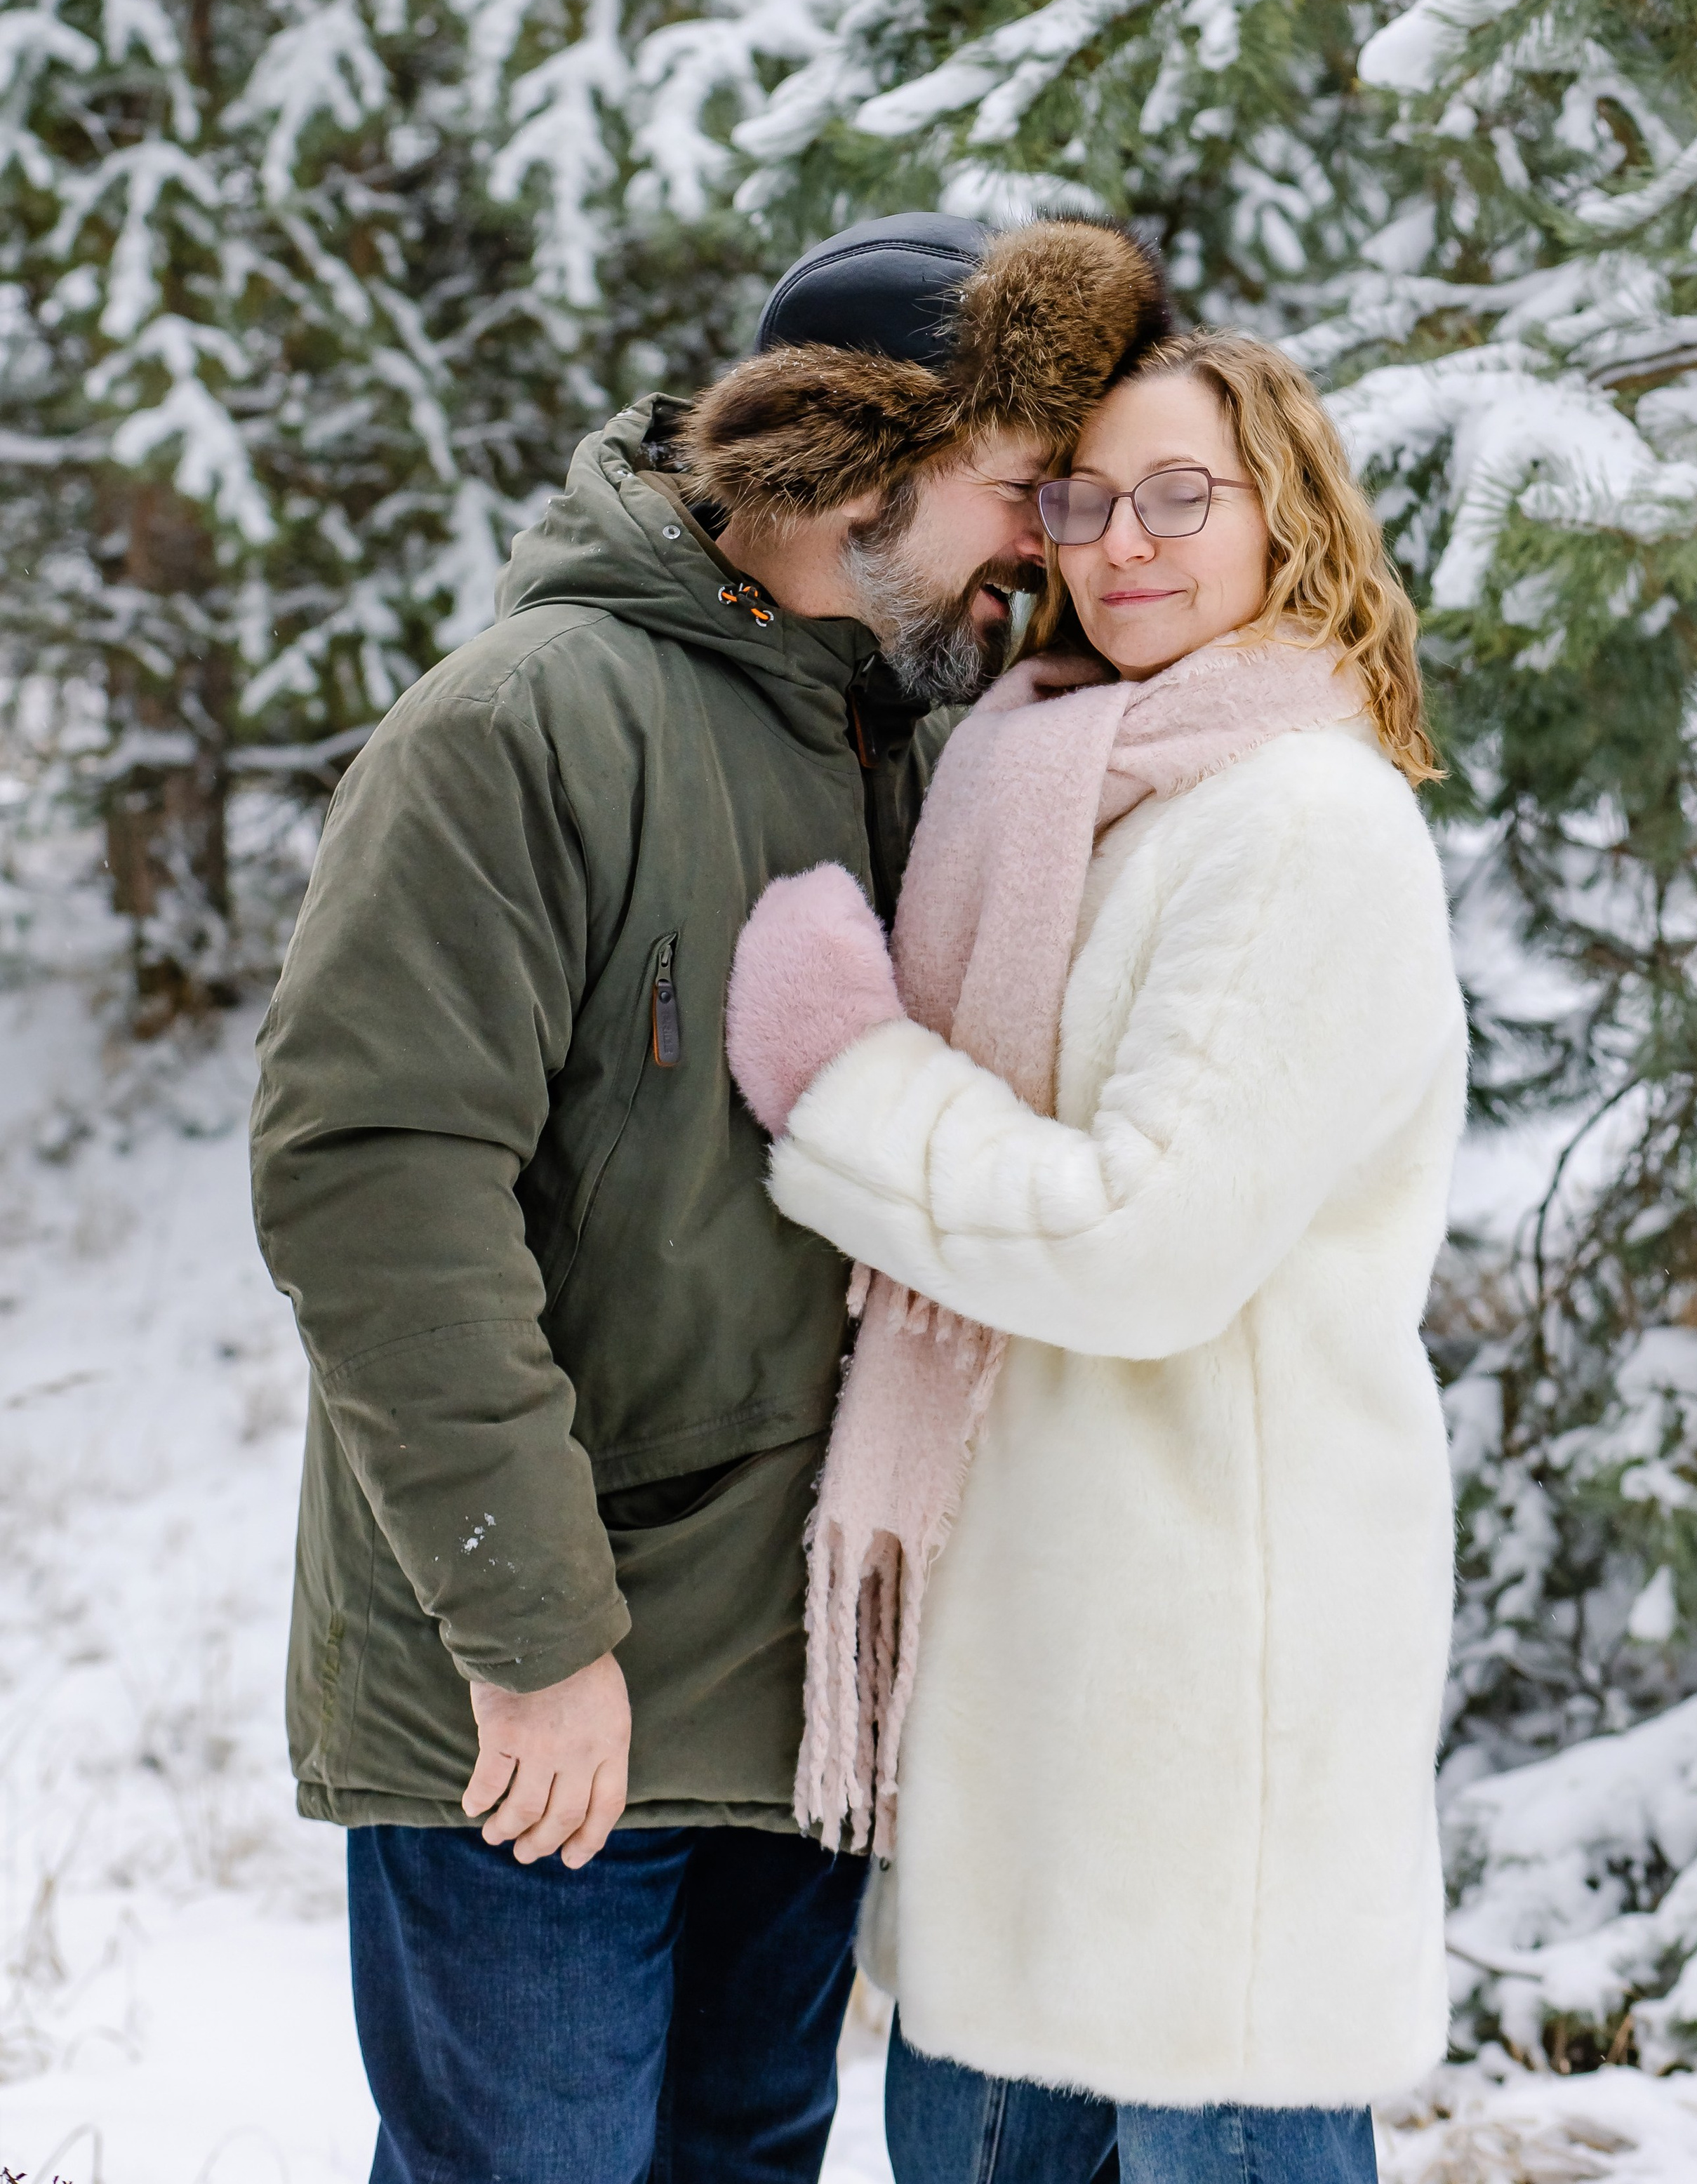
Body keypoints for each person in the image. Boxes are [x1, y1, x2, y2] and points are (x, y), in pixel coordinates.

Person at [248, 208, 1173, 2183]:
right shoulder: (522, 726)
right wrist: (532, 1629)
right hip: (548, 1696)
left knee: (743, 2156)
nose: (1053, 543)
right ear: (854, 453)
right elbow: (372, 1178)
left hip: (796, 1693)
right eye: (1025, 486)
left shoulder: (915, 743)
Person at [725, 331, 1468, 2184]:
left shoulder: (1301, 821)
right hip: (1036, 1710)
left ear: (1284, 515)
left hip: (1197, 1717)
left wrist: (845, 1083)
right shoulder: (1057, 778)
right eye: (1084, 500)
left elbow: (1139, 1240)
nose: (1122, 543)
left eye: (1179, 498)